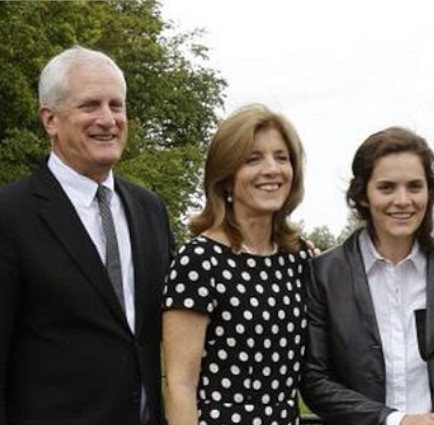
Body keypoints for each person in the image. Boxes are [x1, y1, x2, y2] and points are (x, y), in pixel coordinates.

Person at [0, 46, 174, 425]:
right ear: (50, 119)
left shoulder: (150, 210)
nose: (108, 119)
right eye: (90, 105)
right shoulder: (10, 214)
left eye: (117, 105)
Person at [301, 127, 434, 425]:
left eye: (415, 187)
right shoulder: (324, 273)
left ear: (429, 192)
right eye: (387, 187)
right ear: (362, 195)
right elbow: (314, 380)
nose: (403, 200)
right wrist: (396, 421)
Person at [162, 104, 311, 425]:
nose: (272, 169)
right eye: (253, 159)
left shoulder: (300, 259)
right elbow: (180, 385)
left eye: (281, 158)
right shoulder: (199, 261)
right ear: (226, 177)